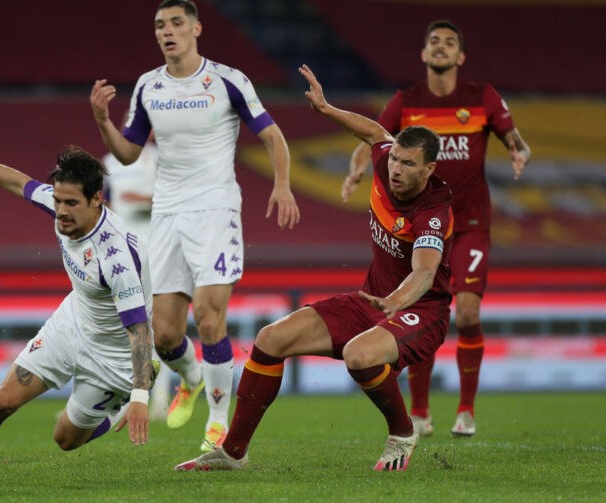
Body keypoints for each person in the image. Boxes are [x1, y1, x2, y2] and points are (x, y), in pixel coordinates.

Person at [175, 64, 453, 472]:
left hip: (420, 311)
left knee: (360, 355)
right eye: (395, 159)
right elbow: (375, 132)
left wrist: (394, 302)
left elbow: (425, 273)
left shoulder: (433, 212)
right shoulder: (384, 161)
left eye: (408, 164)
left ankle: (401, 431)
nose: (396, 169)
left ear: (429, 170)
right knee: (271, 339)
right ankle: (232, 452)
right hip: (371, 302)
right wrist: (326, 110)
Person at [90, 0, 300, 452]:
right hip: (167, 213)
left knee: (208, 315)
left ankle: (219, 422)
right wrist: (103, 122)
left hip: (216, 209)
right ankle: (191, 377)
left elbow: (271, 134)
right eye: (160, 25)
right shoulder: (148, 86)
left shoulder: (227, 80)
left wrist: (282, 185)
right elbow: (127, 153)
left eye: (177, 23)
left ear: (196, 28)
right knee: (165, 333)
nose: (168, 32)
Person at [0, 142, 156, 483]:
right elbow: (17, 182)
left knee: (65, 439)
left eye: (71, 203)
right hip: (72, 324)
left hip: (114, 357)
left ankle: (117, 405)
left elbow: (138, 329)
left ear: (97, 199)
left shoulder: (117, 258)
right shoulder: (64, 209)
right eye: (58, 201)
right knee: (2, 401)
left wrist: (139, 396)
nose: (61, 211)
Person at [343, 20, 531, 437]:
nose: (441, 47)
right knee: (418, 309)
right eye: (434, 42)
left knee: (466, 312)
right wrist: (357, 171)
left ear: (461, 57)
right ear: (424, 54)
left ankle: (466, 410)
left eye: (449, 42)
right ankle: (422, 413)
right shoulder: (406, 101)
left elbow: (514, 137)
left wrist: (519, 150)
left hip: (468, 226)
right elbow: (371, 138)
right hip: (421, 228)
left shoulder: (482, 97)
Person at [102, 138, 173, 421]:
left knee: (155, 327)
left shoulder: (161, 159)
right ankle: (113, 401)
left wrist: (142, 200)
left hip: (155, 249)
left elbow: (176, 200)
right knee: (116, 326)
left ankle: (160, 401)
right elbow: (102, 203)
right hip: (120, 253)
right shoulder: (108, 163)